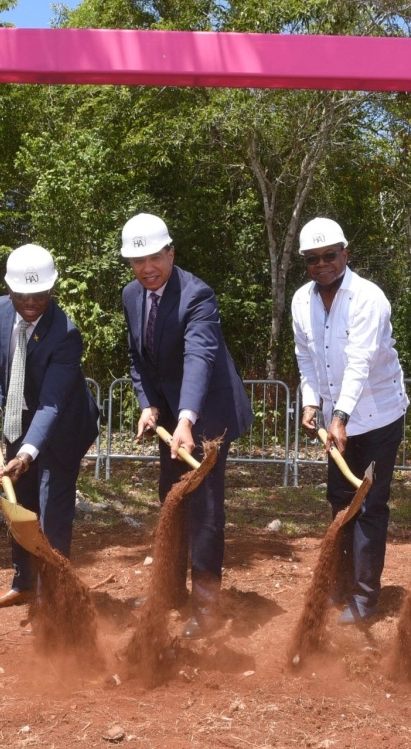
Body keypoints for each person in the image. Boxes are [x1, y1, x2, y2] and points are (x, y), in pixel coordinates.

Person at [120, 213, 254, 639]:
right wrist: (148, 405)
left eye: (155, 257)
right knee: (171, 500)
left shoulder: (198, 295)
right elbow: (139, 358)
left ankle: (207, 604)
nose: (147, 268)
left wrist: (186, 418)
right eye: (137, 261)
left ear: (171, 252)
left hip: (207, 415)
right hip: (172, 418)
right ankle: (170, 591)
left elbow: (200, 357)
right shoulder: (131, 295)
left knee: (205, 508)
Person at [291, 218, 410, 624]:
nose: (322, 264)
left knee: (370, 506)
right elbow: (306, 360)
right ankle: (339, 586)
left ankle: (364, 600)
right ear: (305, 263)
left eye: (329, 256)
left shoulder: (368, 297)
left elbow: (359, 362)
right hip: (335, 424)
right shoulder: (300, 301)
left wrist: (339, 415)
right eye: (313, 259)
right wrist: (311, 405)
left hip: (377, 418)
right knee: (340, 503)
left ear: (345, 253)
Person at [0, 244, 100, 610]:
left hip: (60, 429)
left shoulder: (65, 333)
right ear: (8, 288)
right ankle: (24, 583)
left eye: (40, 294)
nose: (31, 302)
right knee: (21, 508)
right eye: (23, 294)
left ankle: (53, 601)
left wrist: (27, 454)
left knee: (50, 514)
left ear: (52, 289)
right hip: (17, 420)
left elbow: (51, 404)